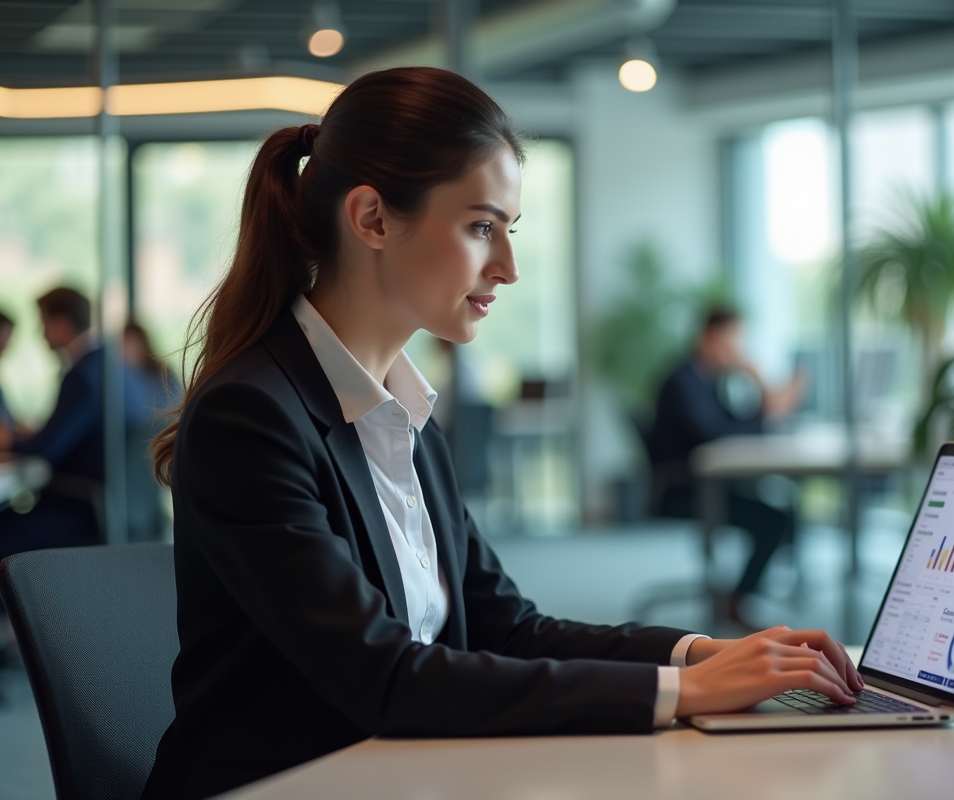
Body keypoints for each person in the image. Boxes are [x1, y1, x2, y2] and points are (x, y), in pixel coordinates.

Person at [140, 67, 861, 800]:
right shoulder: (253, 416)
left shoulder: (406, 415)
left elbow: (508, 629)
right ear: (373, 219)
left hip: (403, 773)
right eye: (481, 227)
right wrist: (684, 691)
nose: (508, 268)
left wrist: (707, 652)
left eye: (509, 231)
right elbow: (385, 680)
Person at [645, 305, 805, 627]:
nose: (736, 353)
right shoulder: (682, 381)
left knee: (784, 513)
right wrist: (761, 390)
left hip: (707, 484)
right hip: (685, 491)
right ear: (708, 337)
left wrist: (760, 393)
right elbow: (714, 435)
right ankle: (735, 600)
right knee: (774, 521)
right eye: (730, 344)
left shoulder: (705, 379)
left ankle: (737, 597)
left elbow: (732, 423)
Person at [0, 288, 151, 554]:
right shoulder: (117, 367)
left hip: (81, 509)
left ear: (60, 325)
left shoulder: (84, 376)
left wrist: (10, 439)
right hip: (121, 508)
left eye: (42, 324)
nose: (40, 334)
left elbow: (44, 450)